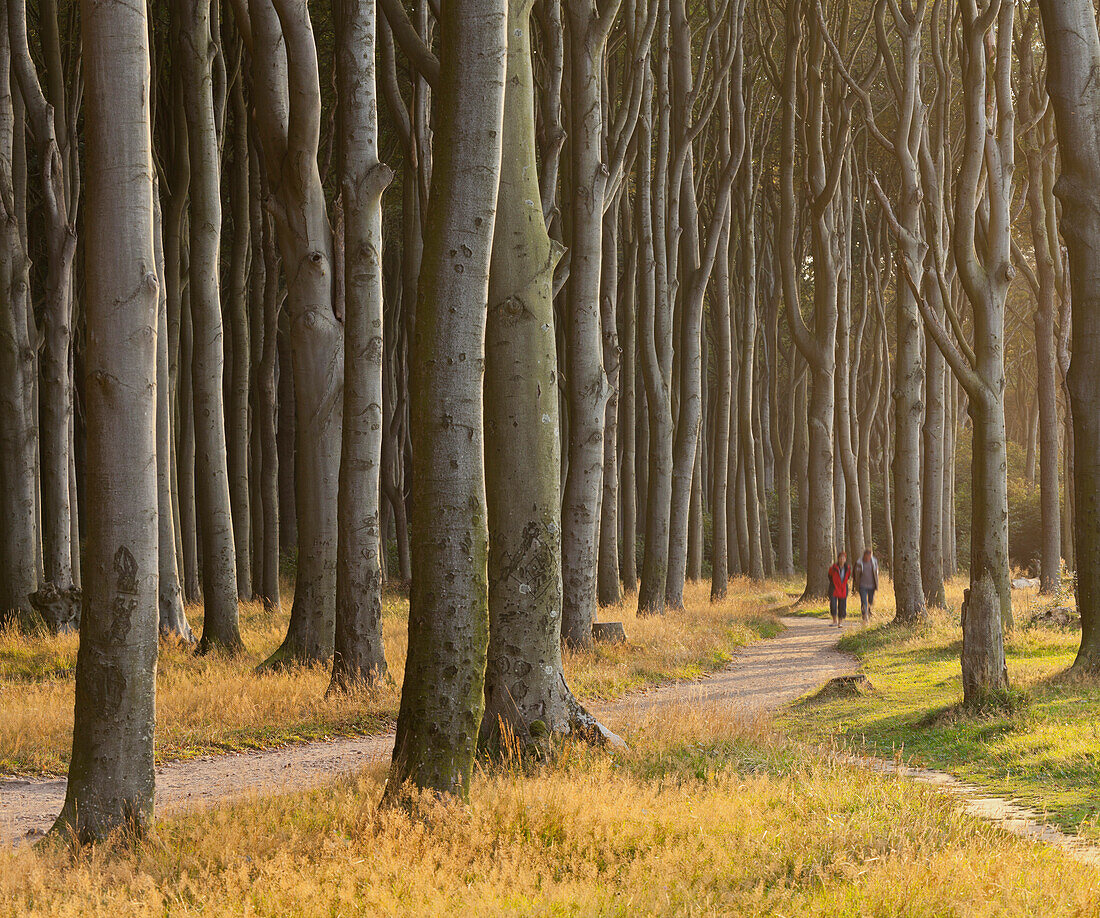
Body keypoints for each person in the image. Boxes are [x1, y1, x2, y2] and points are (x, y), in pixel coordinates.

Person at [854, 548, 879, 625]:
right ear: (864, 555)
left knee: (870, 601)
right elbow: (856, 575)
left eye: (870, 556)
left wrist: (876, 584)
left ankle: (869, 612)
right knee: (864, 601)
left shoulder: (874, 562)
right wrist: (855, 585)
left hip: (872, 585)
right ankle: (865, 617)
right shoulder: (859, 562)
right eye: (867, 556)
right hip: (862, 585)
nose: (868, 558)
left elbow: (876, 573)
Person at [828, 551, 851, 628]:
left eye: (843, 558)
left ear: (845, 559)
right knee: (833, 605)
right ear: (838, 559)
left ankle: (840, 622)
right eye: (840, 558)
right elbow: (829, 576)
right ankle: (834, 620)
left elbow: (848, 577)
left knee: (842, 606)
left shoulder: (848, 568)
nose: (842, 559)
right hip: (834, 588)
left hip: (843, 588)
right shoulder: (833, 567)